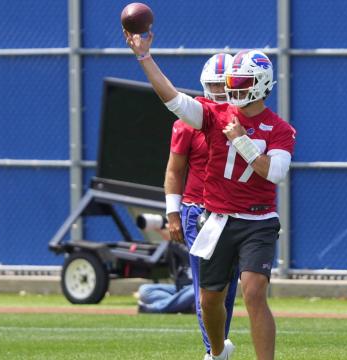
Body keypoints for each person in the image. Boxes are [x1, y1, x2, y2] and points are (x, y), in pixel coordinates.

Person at [125, 30, 295, 360]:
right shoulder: (215, 115)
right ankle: (218, 352)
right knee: (209, 299)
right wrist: (143, 56)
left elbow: (274, 173)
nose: (232, 89)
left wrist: (241, 141)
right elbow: (173, 100)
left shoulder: (279, 129)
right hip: (217, 220)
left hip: (258, 220)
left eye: (241, 82)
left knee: (254, 291)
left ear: (259, 84)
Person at [165, 53, 239, 357]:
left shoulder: (242, 118)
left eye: (223, 85)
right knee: (207, 288)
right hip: (199, 212)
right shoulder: (189, 121)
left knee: (230, 288)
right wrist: (172, 213)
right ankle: (213, 351)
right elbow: (174, 169)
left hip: (236, 212)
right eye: (213, 85)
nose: (219, 92)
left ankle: (218, 347)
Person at [137, 241, 195, 314]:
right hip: (180, 288)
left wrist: (179, 246)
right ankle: (181, 305)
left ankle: (157, 308)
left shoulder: (201, 244)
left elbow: (193, 257)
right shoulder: (174, 245)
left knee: (196, 290)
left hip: (196, 289)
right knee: (145, 290)